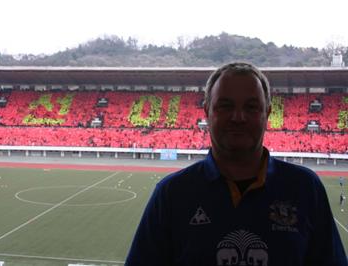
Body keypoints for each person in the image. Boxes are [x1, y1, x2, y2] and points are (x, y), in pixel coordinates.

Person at [125, 62, 347, 266]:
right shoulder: (172, 194)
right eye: (225, 106)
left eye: (251, 107)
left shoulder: (305, 188)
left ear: (267, 113)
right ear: (207, 112)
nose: (238, 117)